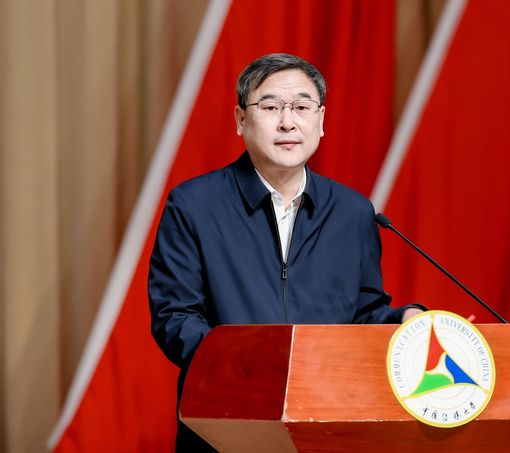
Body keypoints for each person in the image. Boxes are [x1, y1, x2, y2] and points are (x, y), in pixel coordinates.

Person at [148, 53, 424, 451]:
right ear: (241, 120)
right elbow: (175, 317)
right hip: (226, 425)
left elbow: (363, 316)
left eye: (301, 107)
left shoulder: (353, 212)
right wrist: (248, 367)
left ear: (321, 120)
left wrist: (405, 320)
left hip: (326, 424)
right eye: (271, 107)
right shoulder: (193, 205)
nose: (287, 122)